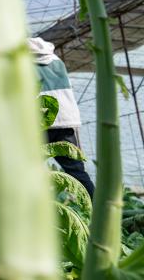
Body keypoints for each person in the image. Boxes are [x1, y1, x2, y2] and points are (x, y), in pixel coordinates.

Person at [29, 37, 96, 198]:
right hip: (66, 121)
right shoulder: (56, 60)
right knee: (76, 171)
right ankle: (99, 211)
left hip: (42, 121)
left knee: (26, 168)